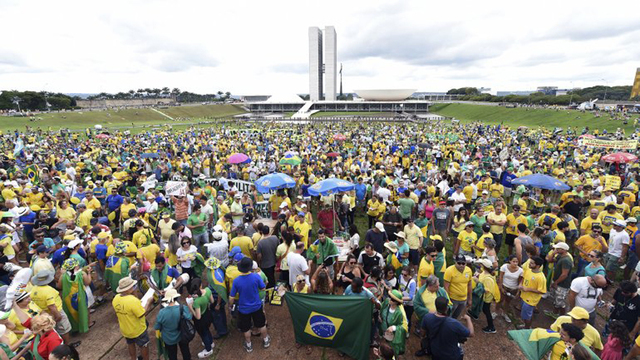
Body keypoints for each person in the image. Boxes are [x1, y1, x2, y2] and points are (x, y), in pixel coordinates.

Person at [228, 257, 270, 353]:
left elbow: (231, 297)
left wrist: (230, 306)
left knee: (246, 328)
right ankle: (266, 340)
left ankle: (249, 345)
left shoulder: (236, 281)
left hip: (243, 309)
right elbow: (263, 288)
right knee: (261, 324)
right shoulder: (256, 277)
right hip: (256, 306)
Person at [29, 270, 76, 346]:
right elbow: (51, 306)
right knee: (64, 329)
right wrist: (58, 315)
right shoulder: (48, 290)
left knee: (54, 330)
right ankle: (67, 346)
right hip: (55, 311)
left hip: (44, 313)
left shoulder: (34, 289)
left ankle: (60, 345)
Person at [112, 277, 154, 360]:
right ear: (129, 289)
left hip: (125, 329)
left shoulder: (116, 298)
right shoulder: (132, 300)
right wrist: (148, 302)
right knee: (144, 345)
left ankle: (133, 358)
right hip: (137, 329)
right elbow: (142, 314)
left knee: (130, 344)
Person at [57, 258, 93, 334]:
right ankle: (85, 326)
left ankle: (75, 328)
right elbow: (87, 282)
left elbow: (59, 286)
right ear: (75, 266)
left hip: (68, 297)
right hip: (81, 296)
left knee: (71, 312)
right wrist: (89, 273)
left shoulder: (63, 276)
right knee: (83, 310)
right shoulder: (82, 274)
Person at [155, 288, 193, 360]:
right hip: (182, 335)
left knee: (172, 355)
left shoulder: (161, 313)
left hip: (169, 339)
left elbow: (157, 327)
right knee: (185, 352)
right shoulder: (183, 308)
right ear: (176, 298)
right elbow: (189, 317)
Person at [186, 278, 215, 359]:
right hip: (208, 314)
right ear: (201, 285)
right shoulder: (208, 290)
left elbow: (198, 317)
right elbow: (212, 301)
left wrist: (190, 307)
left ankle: (208, 349)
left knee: (204, 333)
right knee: (207, 330)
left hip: (201, 320)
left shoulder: (196, 301)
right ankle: (211, 342)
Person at [519, 256, 547, 328]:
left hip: (530, 300)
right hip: (523, 296)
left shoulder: (541, 278)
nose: (529, 264)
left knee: (527, 316)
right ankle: (525, 325)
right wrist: (520, 284)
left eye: (532, 263)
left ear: (537, 266)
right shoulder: (528, 270)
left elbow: (542, 291)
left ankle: (527, 328)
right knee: (525, 314)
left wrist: (528, 289)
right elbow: (523, 278)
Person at [546, 242, 574, 315]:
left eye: (558, 249)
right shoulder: (559, 256)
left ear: (563, 250)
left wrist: (556, 283)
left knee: (560, 302)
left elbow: (564, 274)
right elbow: (549, 260)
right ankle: (554, 313)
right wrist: (553, 254)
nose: (556, 250)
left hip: (562, 284)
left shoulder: (566, 260)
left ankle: (561, 315)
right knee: (556, 300)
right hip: (557, 281)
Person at [443, 255, 472, 319]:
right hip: (453, 299)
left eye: (463, 263)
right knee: (448, 315)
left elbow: (469, 285)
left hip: (463, 299)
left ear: (466, 263)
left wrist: (470, 299)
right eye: (459, 263)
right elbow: (446, 287)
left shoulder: (469, 270)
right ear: (455, 262)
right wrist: (448, 300)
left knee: (456, 316)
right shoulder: (449, 271)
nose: (461, 265)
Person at [380, 289, 408, 356]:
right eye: (389, 297)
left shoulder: (399, 313)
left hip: (391, 336)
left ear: (396, 302)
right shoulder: (387, 302)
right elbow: (381, 308)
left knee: (390, 351)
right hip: (384, 331)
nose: (389, 299)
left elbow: (402, 326)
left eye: (392, 299)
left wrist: (394, 327)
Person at [476, 258, 500, 334]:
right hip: (483, 297)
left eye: (481, 264)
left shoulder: (488, 278)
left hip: (487, 298)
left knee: (486, 310)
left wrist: (478, 282)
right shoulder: (484, 273)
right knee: (484, 309)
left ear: (483, 266)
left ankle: (491, 327)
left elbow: (487, 290)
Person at [398, 266, 417, 334]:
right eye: (402, 274)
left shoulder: (412, 283)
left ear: (409, 274)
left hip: (409, 303)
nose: (403, 276)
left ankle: (407, 331)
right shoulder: (400, 277)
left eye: (405, 275)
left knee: (407, 317)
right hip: (402, 301)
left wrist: (399, 298)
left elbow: (410, 297)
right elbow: (399, 287)